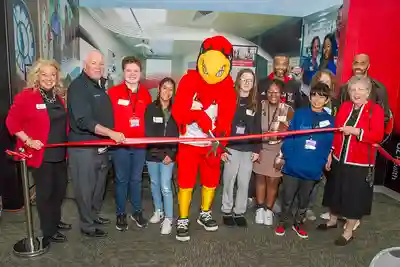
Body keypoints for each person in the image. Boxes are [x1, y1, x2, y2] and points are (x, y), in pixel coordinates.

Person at [171, 36, 237, 242]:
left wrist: (221, 141)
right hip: (189, 143)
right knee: (186, 181)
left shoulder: (227, 86)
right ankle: (182, 218)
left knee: (211, 180)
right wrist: (199, 116)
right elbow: (178, 111)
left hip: (211, 145)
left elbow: (227, 118)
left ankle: (204, 213)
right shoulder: (188, 80)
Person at [6, 59, 71, 246]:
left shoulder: (57, 96)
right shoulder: (27, 96)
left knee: (59, 191)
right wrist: (28, 140)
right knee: (46, 194)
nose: (49, 78)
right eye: (44, 74)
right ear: (36, 76)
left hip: (59, 153)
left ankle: (55, 221)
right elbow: (12, 122)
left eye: (53, 74)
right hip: (41, 155)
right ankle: (49, 231)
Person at [318, 76, 384, 246]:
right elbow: (337, 132)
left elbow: (377, 136)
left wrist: (355, 131)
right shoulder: (346, 106)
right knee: (335, 191)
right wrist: (331, 153)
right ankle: (332, 221)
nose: (356, 93)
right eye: (353, 89)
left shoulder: (375, 110)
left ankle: (348, 231)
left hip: (360, 163)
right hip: (340, 158)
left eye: (361, 89)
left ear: (368, 92)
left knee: (354, 198)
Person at [68, 50, 125, 237]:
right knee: (85, 189)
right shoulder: (78, 87)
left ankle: (93, 216)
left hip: (101, 147)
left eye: (101, 64)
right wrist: (110, 133)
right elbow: (83, 121)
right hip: (84, 149)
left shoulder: (98, 85)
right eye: (94, 63)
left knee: (99, 187)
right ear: (85, 65)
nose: (99, 67)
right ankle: (87, 226)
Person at [275, 82, 334, 239]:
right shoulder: (300, 113)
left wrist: (321, 162)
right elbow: (290, 136)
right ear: (310, 96)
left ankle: (298, 223)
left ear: (327, 99)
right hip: (293, 165)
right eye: (314, 95)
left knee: (304, 200)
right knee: (287, 197)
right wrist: (288, 156)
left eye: (322, 97)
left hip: (313, 167)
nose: (317, 100)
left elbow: (328, 144)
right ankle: (282, 222)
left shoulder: (330, 120)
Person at [108, 56, 152, 231]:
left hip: (140, 146)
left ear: (140, 73)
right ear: (123, 72)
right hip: (121, 146)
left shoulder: (146, 95)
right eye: (129, 70)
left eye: (135, 71)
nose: (132, 74)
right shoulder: (113, 93)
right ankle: (120, 213)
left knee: (136, 180)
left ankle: (137, 211)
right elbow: (107, 118)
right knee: (121, 180)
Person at [221, 69, 261, 227]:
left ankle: (239, 211)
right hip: (231, 147)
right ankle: (226, 209)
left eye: (250, 80)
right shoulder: (229, 99)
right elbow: (221, 124)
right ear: (238, 81)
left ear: (253, 84)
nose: (246, 82)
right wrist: (220, 149)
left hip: (248, 149)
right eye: (244, 79)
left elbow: (258, 128)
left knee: (244, 182)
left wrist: (257, 149)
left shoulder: (255, 103)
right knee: (229, 180)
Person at [253, 79, 293, 226]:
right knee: (260, 179)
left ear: (281, 93)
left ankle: (269, 210)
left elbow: (292, 133)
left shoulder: (288, 110)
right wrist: (257, 149)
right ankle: (260, 208)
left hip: (278, 151)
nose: (273, 94)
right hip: (261, 149)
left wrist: (284, 153)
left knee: (273, 181)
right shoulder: (259, 106)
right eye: (270, 91)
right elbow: (253, 128)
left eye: (276, 92)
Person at [144, 77, 178, 235]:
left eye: (171, 89)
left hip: (169, 155)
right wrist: (158, 153)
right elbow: (148, 133)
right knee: (155, 183)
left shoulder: (176, 110)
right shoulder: (150, 108)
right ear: (159, 89)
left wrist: (170, 154)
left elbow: (178, 135)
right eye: (165, 88)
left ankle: (169, 218)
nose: (167, 92)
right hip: (152, 153)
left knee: (165, 186)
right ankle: (159, 211)